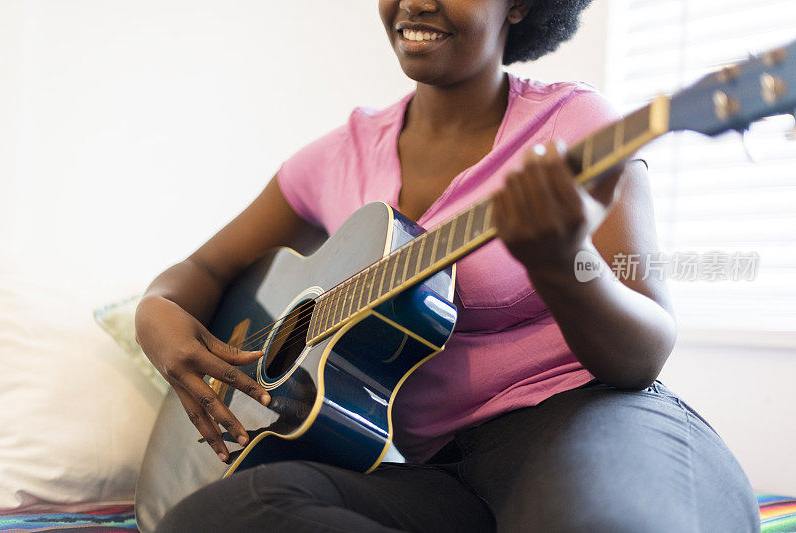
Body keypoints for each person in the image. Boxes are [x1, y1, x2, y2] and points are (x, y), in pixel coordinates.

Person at [134, 0, 761, 531]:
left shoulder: (578, 125)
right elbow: (203, 270)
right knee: (217, 515)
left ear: (519, 4)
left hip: (591, 421)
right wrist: (155, 317)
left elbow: (644, 353)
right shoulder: (336, 158)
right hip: (440, 473)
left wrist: (564, 262)